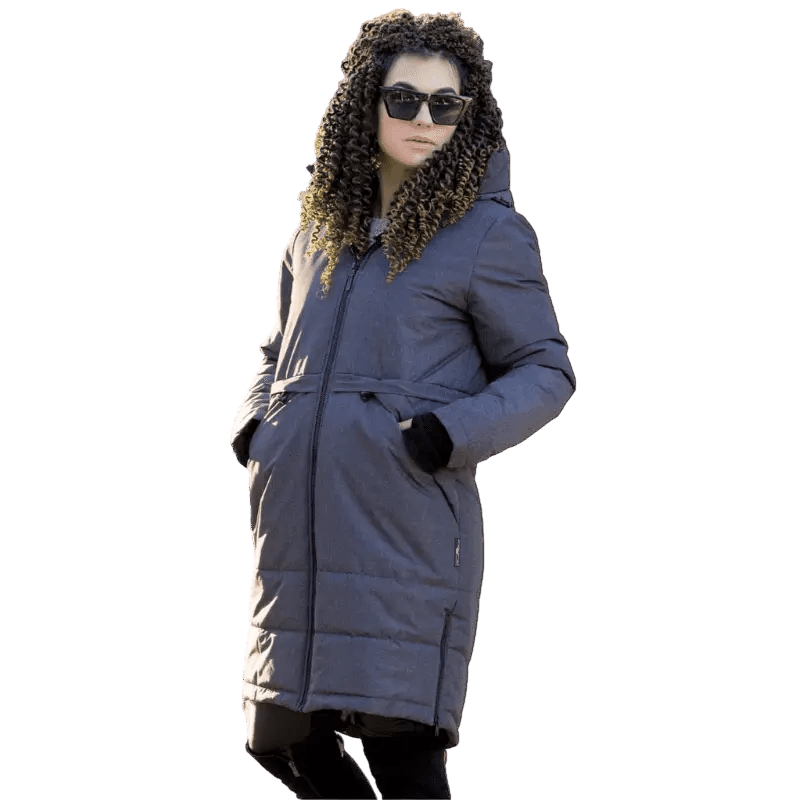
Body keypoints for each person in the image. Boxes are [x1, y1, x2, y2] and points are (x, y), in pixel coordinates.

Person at [230, 9, 576, 798]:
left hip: (403, 528)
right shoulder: (315, 232)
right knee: (279, 738)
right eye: (405, 99)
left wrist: (445, 434)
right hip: (296, 533)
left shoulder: (486, 233)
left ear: (469, 115)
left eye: (446, 105)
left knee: (401, 755)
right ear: (366, 103)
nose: (425, 119)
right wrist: (258, 426)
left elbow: (545, 369)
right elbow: (275, 350)